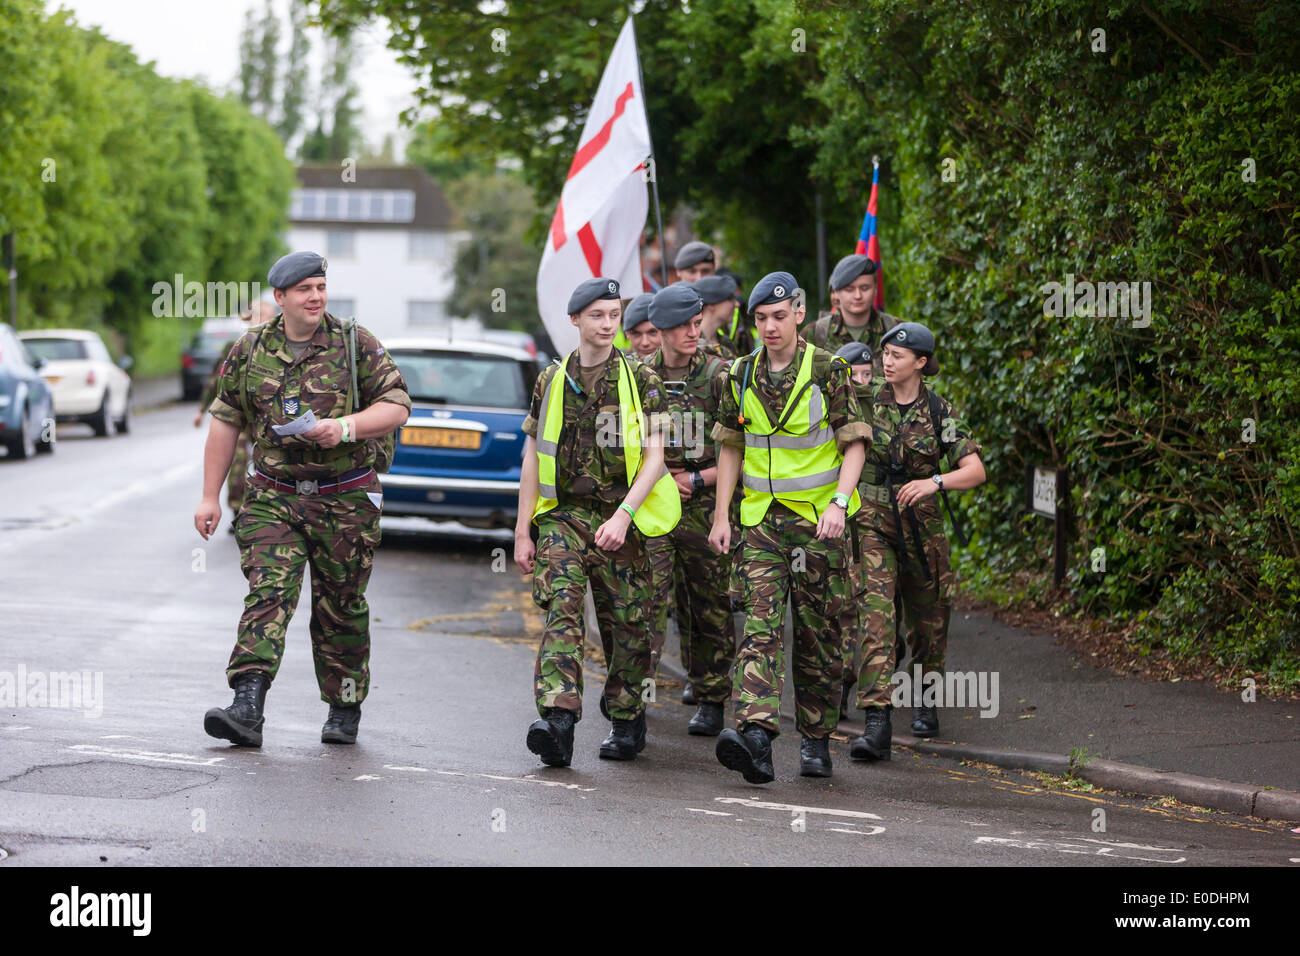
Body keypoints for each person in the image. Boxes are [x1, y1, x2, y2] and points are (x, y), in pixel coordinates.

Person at [194, 252, 411, 747]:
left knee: (340, 606)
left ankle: (344, 706)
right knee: (267, 594)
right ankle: (247, 704)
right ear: (280, 297)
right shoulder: (250, 349)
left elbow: (397, 405)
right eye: (304, 290)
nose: (315, 297)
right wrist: (210, 496)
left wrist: (346, 426)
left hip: (346, 498)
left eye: (320, 286)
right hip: (274, 496)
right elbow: (225, 420)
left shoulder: (355, 342)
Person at [707, 271, 870, 782]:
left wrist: (840, 504)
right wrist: (720, 514)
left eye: (779, 317)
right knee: (760, 627)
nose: (770, 327)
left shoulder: (829, 370)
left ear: (800, 313)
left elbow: (855, 443)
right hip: (760, 523)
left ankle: (817, 740)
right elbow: (730, 445)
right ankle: (755, 736)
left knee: (818, 634)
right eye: (760, 319)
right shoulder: (738, 374)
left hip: (817, 523)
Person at [514, 277, 681, 768]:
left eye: (614, 315)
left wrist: (625, 516)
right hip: (564, 518)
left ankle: (627, 719)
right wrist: (524, 530)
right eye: (598, 316)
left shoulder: (642, 379)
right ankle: (559, 722)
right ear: (576, 321)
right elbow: (532, 454)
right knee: (561, 610)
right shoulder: (550, 380)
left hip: (621, 518)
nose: (609, 325)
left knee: (628, 627)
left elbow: (656, 459)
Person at [846, 322, 984, 761]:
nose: (886, 361)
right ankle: (877, 721)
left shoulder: (940, 411)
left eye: (897, 356)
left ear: (921, 362)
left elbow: (975, 470)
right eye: (884, 354)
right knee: (876, 617)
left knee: (928, 623)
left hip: (923, 528)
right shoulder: (866, 403)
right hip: (873, 521)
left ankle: (925, 698)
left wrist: (934, 482)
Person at [644, 282, 735, 735]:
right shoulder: (640, 376)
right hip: (653, 508)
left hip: (705, 505)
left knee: (709, 604)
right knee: (644, 602)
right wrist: (661, 479)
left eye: (697, 323)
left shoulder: (721, 376)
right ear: (660, 329)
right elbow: (625, 449)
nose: (693, 332)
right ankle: (631, 706)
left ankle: (712, 697)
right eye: (684, 326)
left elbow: (742, 451)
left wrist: (697, 479)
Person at [194, 302, 276, 529]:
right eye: (256, 316)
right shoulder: (237, 347)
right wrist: (201, 411)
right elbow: (217, 381)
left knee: (270, 461)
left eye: (266, 315)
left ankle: (271, 510)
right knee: (238, 463)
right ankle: (237, 509)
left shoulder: (281, 347)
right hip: (240, 417)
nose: (260, 320)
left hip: (266, 419)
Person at [809, 254, 899, 374]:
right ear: (835, 293)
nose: (858, 296)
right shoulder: (814, 334)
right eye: (849, 289)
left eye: (865, 288)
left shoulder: (896, 330)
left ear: (875, 290)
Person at [694, 274, 754, 360]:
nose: (737, 304)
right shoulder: (692, 343)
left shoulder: (726, 342)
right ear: (711, 304)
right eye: (730, 299)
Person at [621, 292, 660, 362]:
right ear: (627, 334)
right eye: (636, 334)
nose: (645, 343)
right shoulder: (617, 366)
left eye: (653, 332)